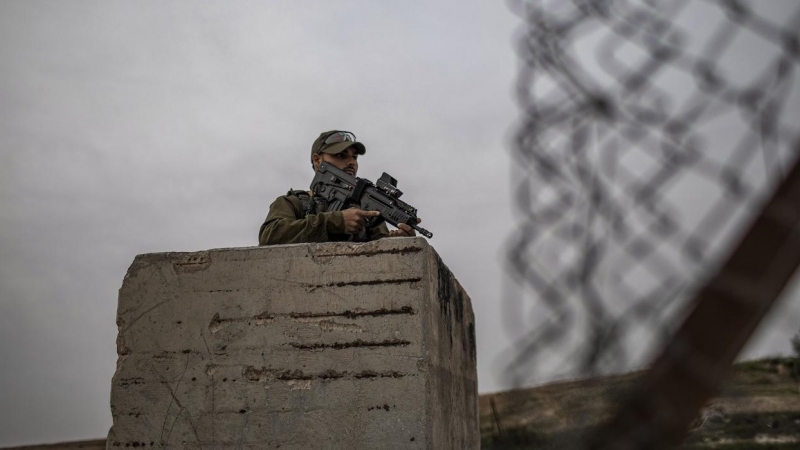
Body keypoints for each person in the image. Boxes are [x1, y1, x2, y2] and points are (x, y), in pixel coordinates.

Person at [258, 130, 418, 245]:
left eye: (354, 157)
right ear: (317, 161)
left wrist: (397, 243)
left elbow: (380, 253)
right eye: (340, 155)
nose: (351, 162)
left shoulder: (366, 213)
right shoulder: (293, 203)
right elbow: (270, 235)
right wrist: (336, 222)